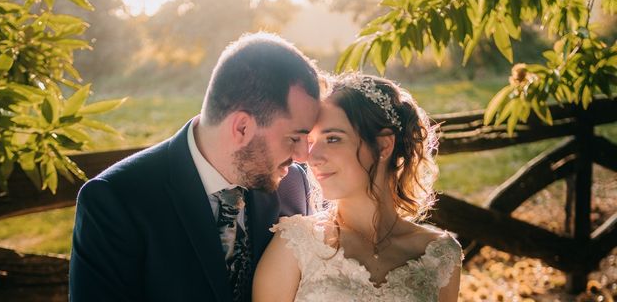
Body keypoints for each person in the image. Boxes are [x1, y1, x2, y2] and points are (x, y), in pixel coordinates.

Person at [69, 33, 321, 302]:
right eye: (294, 138)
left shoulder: (294, 185)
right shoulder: (115, 200)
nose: (303, 155)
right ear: (242, 127)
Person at [253, 73, 462, 302]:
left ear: (383, 145)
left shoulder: (440, 255)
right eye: (310, 142)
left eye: (332, 139)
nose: (312, 158)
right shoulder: (294, 243)